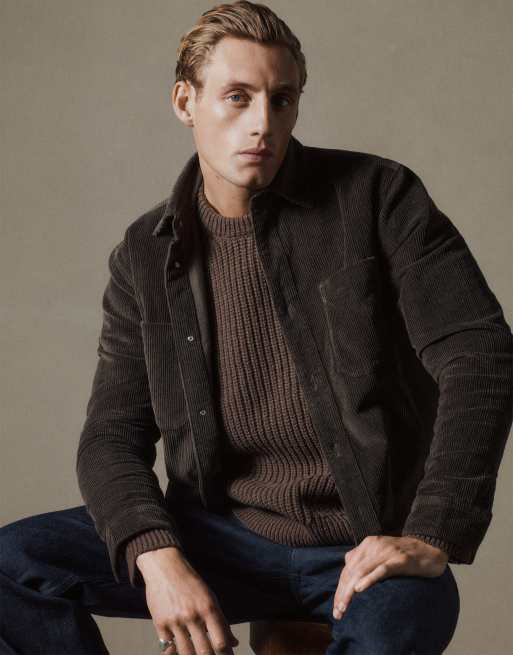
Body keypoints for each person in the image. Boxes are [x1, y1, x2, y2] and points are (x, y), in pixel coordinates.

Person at [1, 1, 511, 654]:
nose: (262, 123)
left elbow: (479, 353)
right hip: (220, 538)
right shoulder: (145, 252)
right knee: (12, 564)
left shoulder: (378, 197)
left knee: (393, 632)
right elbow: (110, 435)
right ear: (185, 102)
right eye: (237, 97)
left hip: (363, 545)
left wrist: (431, 530)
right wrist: (158, 556)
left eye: (281, 99)